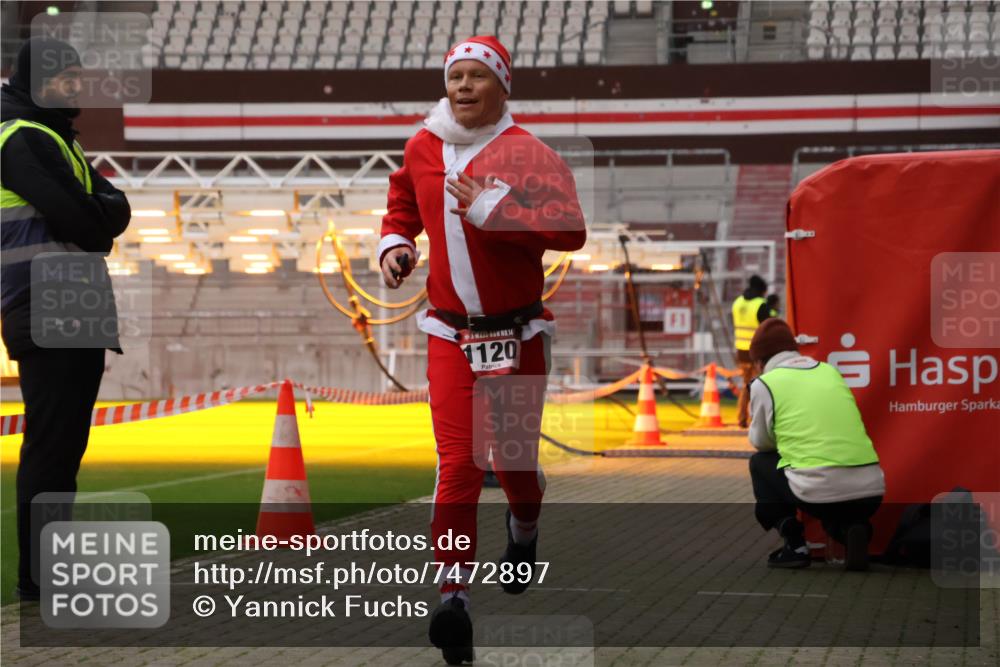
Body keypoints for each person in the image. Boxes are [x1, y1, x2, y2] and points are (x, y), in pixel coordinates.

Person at [377, 35, 586, 664]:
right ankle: (454, 597)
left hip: (517, 333)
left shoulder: (528, 152)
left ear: (503, 86)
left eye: (477, 76)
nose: (463, 87)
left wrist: (498, 209)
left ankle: (524, 530)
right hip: (449, 333)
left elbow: (571, 230)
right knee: (459, 463)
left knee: (516, 464)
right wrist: (395, 245)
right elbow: (401, 206)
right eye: (455, 76)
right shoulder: (422, 144)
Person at [1, 38, 131, 600]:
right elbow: (88, 220)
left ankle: (51, 567)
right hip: (45, 302)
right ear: (34, 80)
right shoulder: (22, 137)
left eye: (78, 76)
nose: (74, 85)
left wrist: (98, 217)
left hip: (72, 307)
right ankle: (40, 577)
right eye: (63, 77)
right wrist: (98, 218)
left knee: (64, 447)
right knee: (52, 446)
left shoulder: (54, 137)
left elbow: (114, 210)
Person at [746, 319, 885, 571]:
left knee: (760, 463)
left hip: (819, 491)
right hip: (871, 490)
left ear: (759, 361)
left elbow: (761, 442)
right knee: (837, 507)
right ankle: (852, 529)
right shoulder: (829, 370)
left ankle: (795, 544)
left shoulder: (765, 384)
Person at [731, 274, 769, 428]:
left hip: (741, 350)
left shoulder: (737, 302)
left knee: (746, 385)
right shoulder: (761, 304)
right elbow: (767, 328)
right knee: (761, 386)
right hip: (757, 351)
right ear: (762, 290)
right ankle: (758, 420)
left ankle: (741, 418)